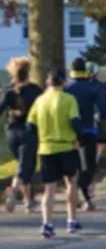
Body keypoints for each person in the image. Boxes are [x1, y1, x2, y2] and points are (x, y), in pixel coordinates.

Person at [26, 68, 82, 238]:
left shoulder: (39, 101)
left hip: (46, 148)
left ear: (47, 82)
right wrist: (80, 137)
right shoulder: (69, 99)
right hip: (66, 146)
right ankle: (71, 221)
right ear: (63, 82)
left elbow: (30, 126)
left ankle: (47, 224)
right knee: (71, 183)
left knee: (48, 188)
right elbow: (75, 122)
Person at [65, 57, 106, 212]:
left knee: (72, 168)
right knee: (88, 168)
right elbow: (103, 110)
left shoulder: (65, 89)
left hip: (68, 134)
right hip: (88, 132)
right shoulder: (93, 88)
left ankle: (74, 195)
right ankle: (86, 198)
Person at [1, 57, 42, 213]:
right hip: (29, 132)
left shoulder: (8, 91)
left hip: (11, 132)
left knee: (22, 165)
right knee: (27, 166)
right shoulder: (35, 90)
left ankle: (28, 200)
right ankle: (13, 191)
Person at [87, 62, 106, 164]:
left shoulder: (75, 87)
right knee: (99, 144)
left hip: (85, 123)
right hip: (101, 123)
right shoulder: (105, 87)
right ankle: (94, 162)